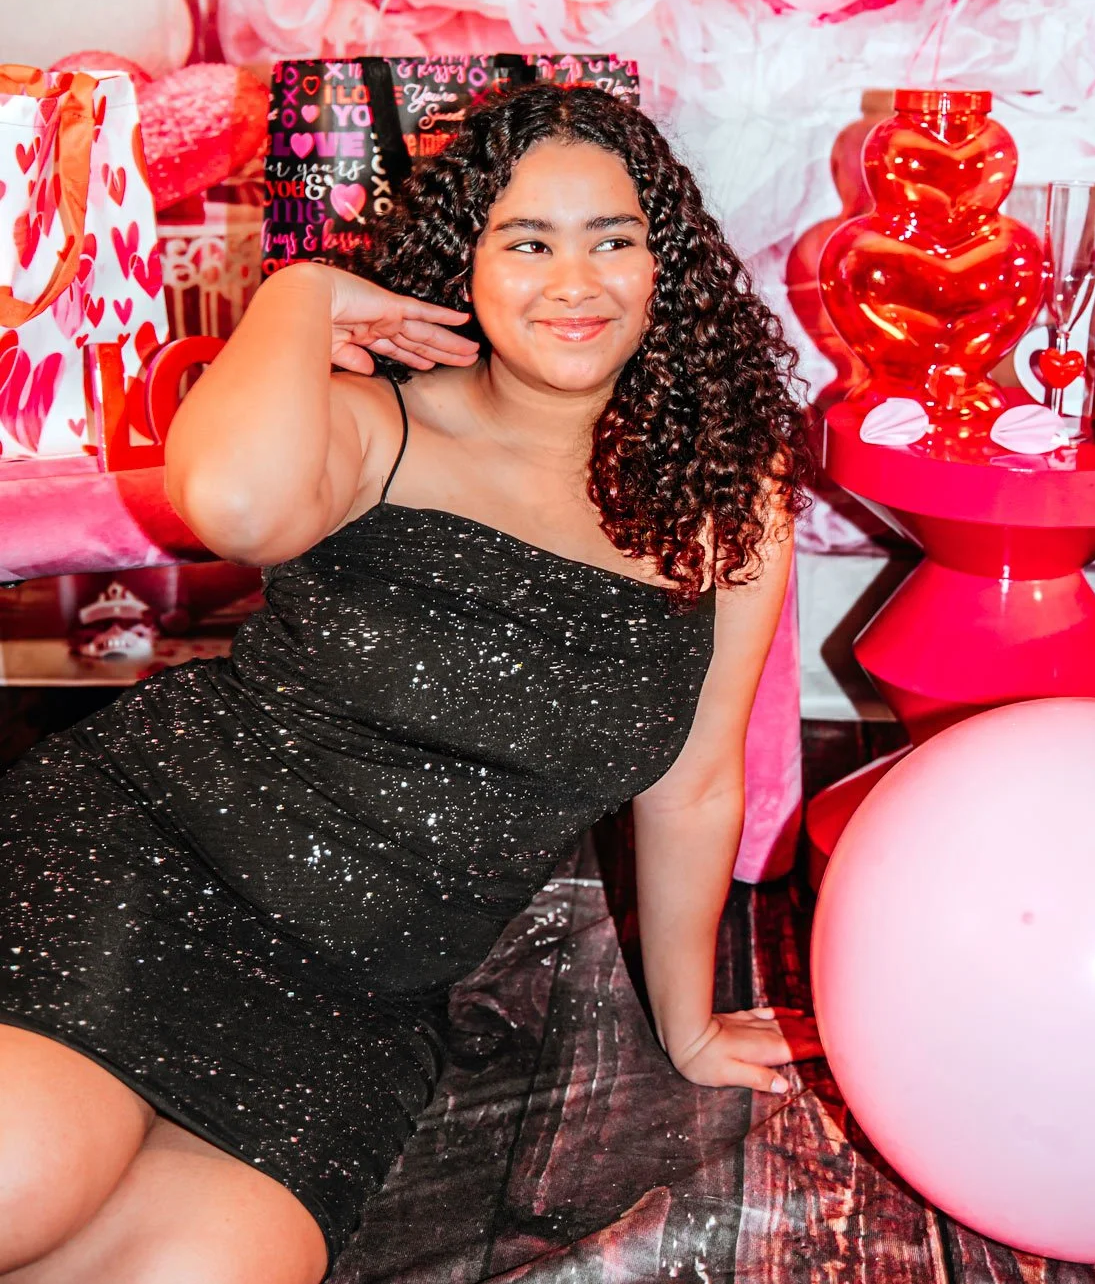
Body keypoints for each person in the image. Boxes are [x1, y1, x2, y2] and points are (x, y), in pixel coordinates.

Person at [0, 82, 822, 1284]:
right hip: (152, 862)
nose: (575, 280)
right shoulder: (375, 422)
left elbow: (694, 785)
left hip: (362, 997)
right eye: (527, 242)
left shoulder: (725, 499)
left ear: (668, 267)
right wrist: (299, 297)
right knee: (23, 1172)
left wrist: (688, 1022)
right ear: (466, 270)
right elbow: (232, 505)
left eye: (613, 239)